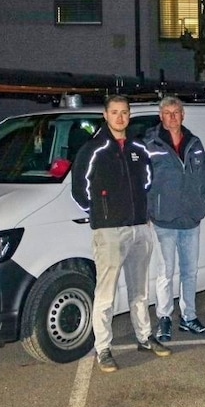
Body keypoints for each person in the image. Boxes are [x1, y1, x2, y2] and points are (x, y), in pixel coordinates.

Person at [71, 95, 171, 373]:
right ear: (105, 115)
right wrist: (102, 214)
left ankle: (144, 337)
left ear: (129, 115)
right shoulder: (93, 150)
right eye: (114, 112)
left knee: (139, 290)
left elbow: (147, 181)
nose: (120, 117)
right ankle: (103, 349)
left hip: (140, 227)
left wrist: (141, 212)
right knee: (106, 295)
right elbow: (79, 190)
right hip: (109, 231)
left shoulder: (138, 148)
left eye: (124, 112)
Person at [144, 96, 205, 342]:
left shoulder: (195, 143)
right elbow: (144, 182)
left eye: (176, 112)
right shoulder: (150, 143)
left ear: (183, 115)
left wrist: (201, 207)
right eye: (167, 113)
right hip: (164, 220)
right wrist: (149, 211)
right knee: (165, 273)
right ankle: (164, 318)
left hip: (190, 219)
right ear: (161, 116)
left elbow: (204, 178)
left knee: (189, 272)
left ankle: (189, 317)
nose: (172, 117)